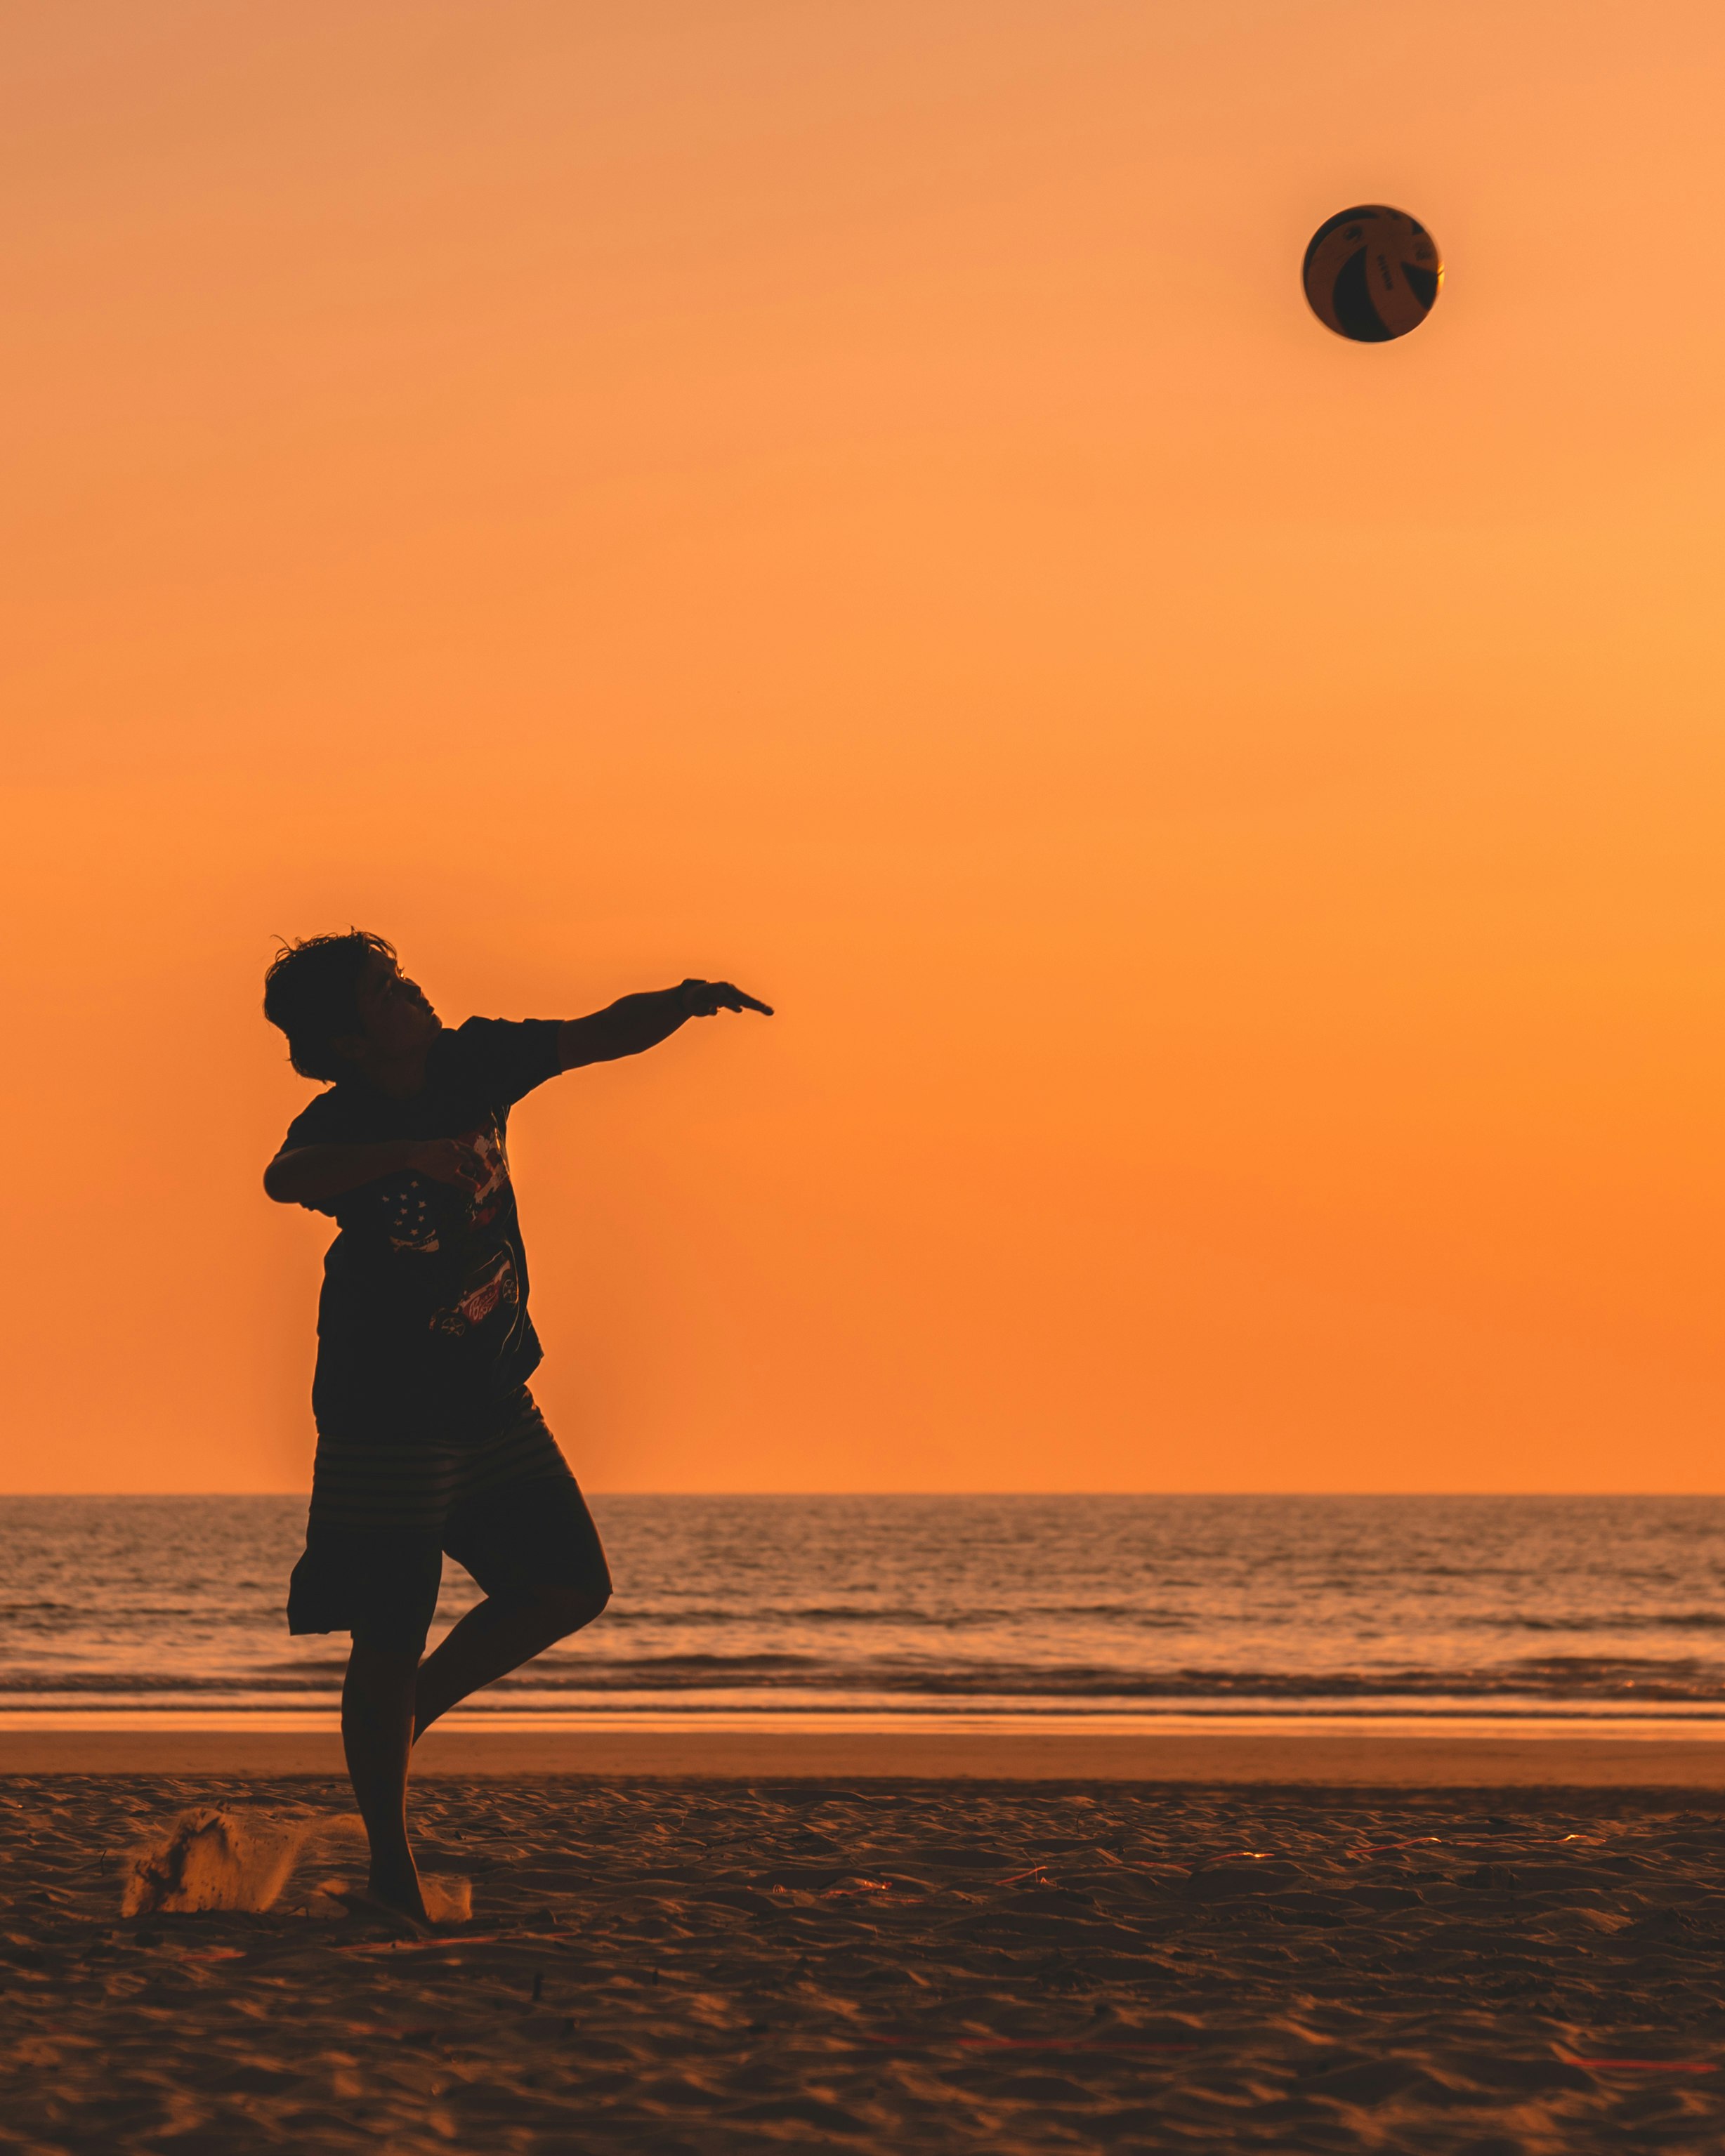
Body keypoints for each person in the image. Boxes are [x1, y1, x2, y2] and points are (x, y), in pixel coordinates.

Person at [261, 931, 771, 1920]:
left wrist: (684, 996)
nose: (414, 990)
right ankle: (391, 1872)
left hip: (491, 1391)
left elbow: (592, 1036)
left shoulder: (472, 1059)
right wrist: (406, 1154)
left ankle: (413, 1710)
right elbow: (287, 1177)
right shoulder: (342, 1117)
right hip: (386, 1412)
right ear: (354, 1039)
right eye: (387, 989)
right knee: (388, 1634)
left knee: (570, 1581)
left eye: (403, 974)